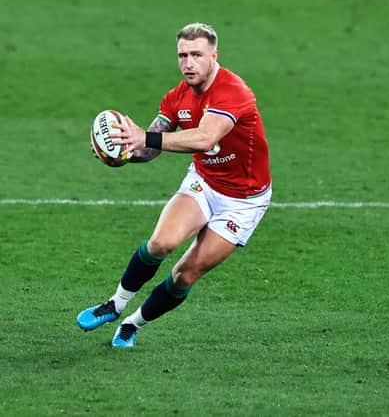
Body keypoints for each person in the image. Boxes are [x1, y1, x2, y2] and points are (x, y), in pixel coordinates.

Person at [77, 23, 271, 348]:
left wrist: (145, 136)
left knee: (186, 274)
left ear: (214, 56)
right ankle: (115, 303)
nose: (188, 63)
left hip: (244, 201)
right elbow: (148, 148)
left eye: (196, 55)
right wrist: (123, 153)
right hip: (204, 183)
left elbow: (206, 136)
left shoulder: (233, 91)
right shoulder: (176, 98)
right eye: (183, 55)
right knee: (161, 243)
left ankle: (133, 323)